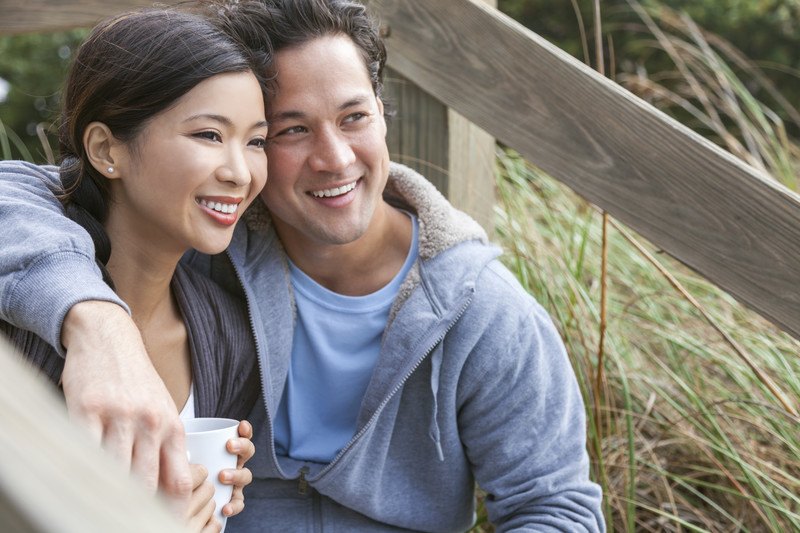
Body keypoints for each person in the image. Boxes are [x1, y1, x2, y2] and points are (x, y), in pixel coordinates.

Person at [0, 0, 605, 530]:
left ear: (382, 114)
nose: (335, 157)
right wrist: (99, 326)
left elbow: (556, 509)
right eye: (291, 130)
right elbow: (29, 191)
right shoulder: (212, 252)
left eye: (354, 117)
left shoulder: (485, 313)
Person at [0, 6, 271, 531]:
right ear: (106, 149)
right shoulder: (15, 309)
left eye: (255, 141)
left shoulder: (225, 338)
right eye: (208, 135)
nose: (240, 172)